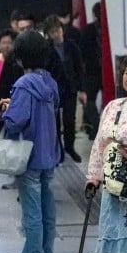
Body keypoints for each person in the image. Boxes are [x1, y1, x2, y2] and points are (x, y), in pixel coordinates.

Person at [0, 30, 61, 253]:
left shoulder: (23, 85)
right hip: (49, 154)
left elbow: (16, 122)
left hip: (28, 157)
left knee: (31, 213)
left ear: (21, 56)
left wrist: (7, 110)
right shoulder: (50, 83)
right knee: (48, 211)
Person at [85, 54, 127, 253]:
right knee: (119, 230)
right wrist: (93, 176)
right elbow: (99, 143)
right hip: (115, 179)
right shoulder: (113, 106)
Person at [43, 14, 85, 162]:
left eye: (58, 30)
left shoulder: (71, 45)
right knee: (54, 122)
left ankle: (70, 147)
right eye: (52, 32)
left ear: (62, 29)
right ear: (48, 34)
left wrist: (81, 89)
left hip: (70, 88)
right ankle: (58, 150)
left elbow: (79, 67)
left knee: (69, 120)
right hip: (53, 89)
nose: (56, 34)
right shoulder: (47, 49)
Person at [80, 2, 103, 140]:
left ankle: (96, 126)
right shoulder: (110, 29)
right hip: (106, 69)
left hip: (90, 70)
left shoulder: (87, 29)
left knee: (89, 100)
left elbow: (82, 51)